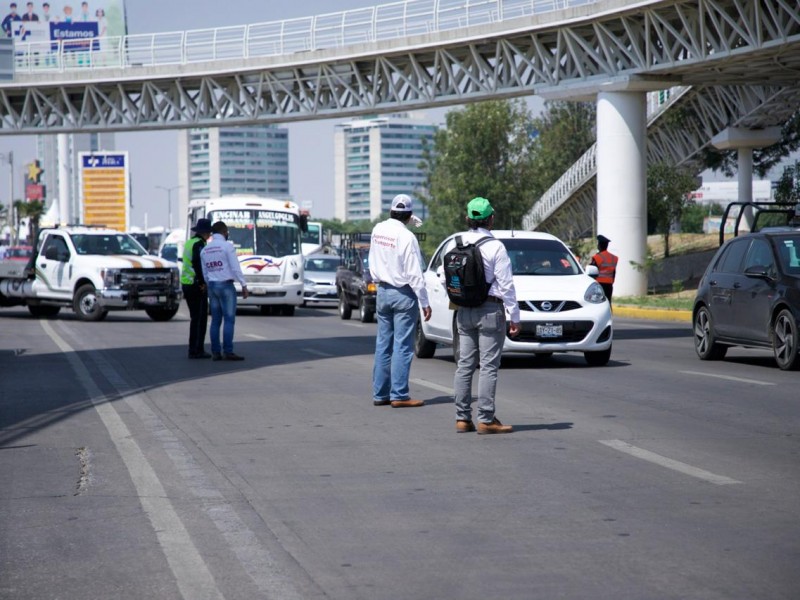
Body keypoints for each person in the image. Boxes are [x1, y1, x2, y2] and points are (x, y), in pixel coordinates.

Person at [452, 197, 520, 434]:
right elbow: (506, 284)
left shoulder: (457, 242)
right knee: (488, 367)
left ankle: (462, 419)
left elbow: (444, 277)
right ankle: (486, 419)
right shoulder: (495, 246)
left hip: (463, 311)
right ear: (491, 220)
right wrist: (515, 316)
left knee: (464, 365)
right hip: (490, 310)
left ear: (467, 219)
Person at [368, 193, 431, 408]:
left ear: (391, 212)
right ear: (409, 215)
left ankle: (380, 394)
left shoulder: (378, 230)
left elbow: (373, 260)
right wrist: (424, 302)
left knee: (383, 345)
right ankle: (399, 394)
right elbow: (415, 273)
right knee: (403, 347)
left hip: (383, 291)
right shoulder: (407, 237)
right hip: (403, 294)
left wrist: (406, 222)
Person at [201, 221, 249, 361]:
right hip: (226, 286)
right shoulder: (227, 247)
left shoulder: (205, 250)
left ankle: (216, 352)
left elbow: (205, 272)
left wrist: (209, 284)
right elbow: (235, 268)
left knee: (215, 320)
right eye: (227, 232)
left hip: (213, 286)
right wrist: (244, 285)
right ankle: (228, 351)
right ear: (224, 232)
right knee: (229, 320)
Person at [182, 218, 213, 359]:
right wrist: (202, 282)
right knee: (199, 319)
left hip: (187, 283)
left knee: (196, 318)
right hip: (195, 285)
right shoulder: (199, 245)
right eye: (209, 233)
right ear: (205, 233)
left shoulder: (190, 242)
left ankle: (193, 349)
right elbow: (197, 263)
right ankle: (196, 349)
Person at [590, 234, 618, 304]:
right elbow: (614, 272)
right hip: (609, 285)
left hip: (599, 284)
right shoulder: (613, 257)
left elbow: (592, 271)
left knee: (598, 304)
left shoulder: (597, 257)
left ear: (599, 245)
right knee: (608, 303)